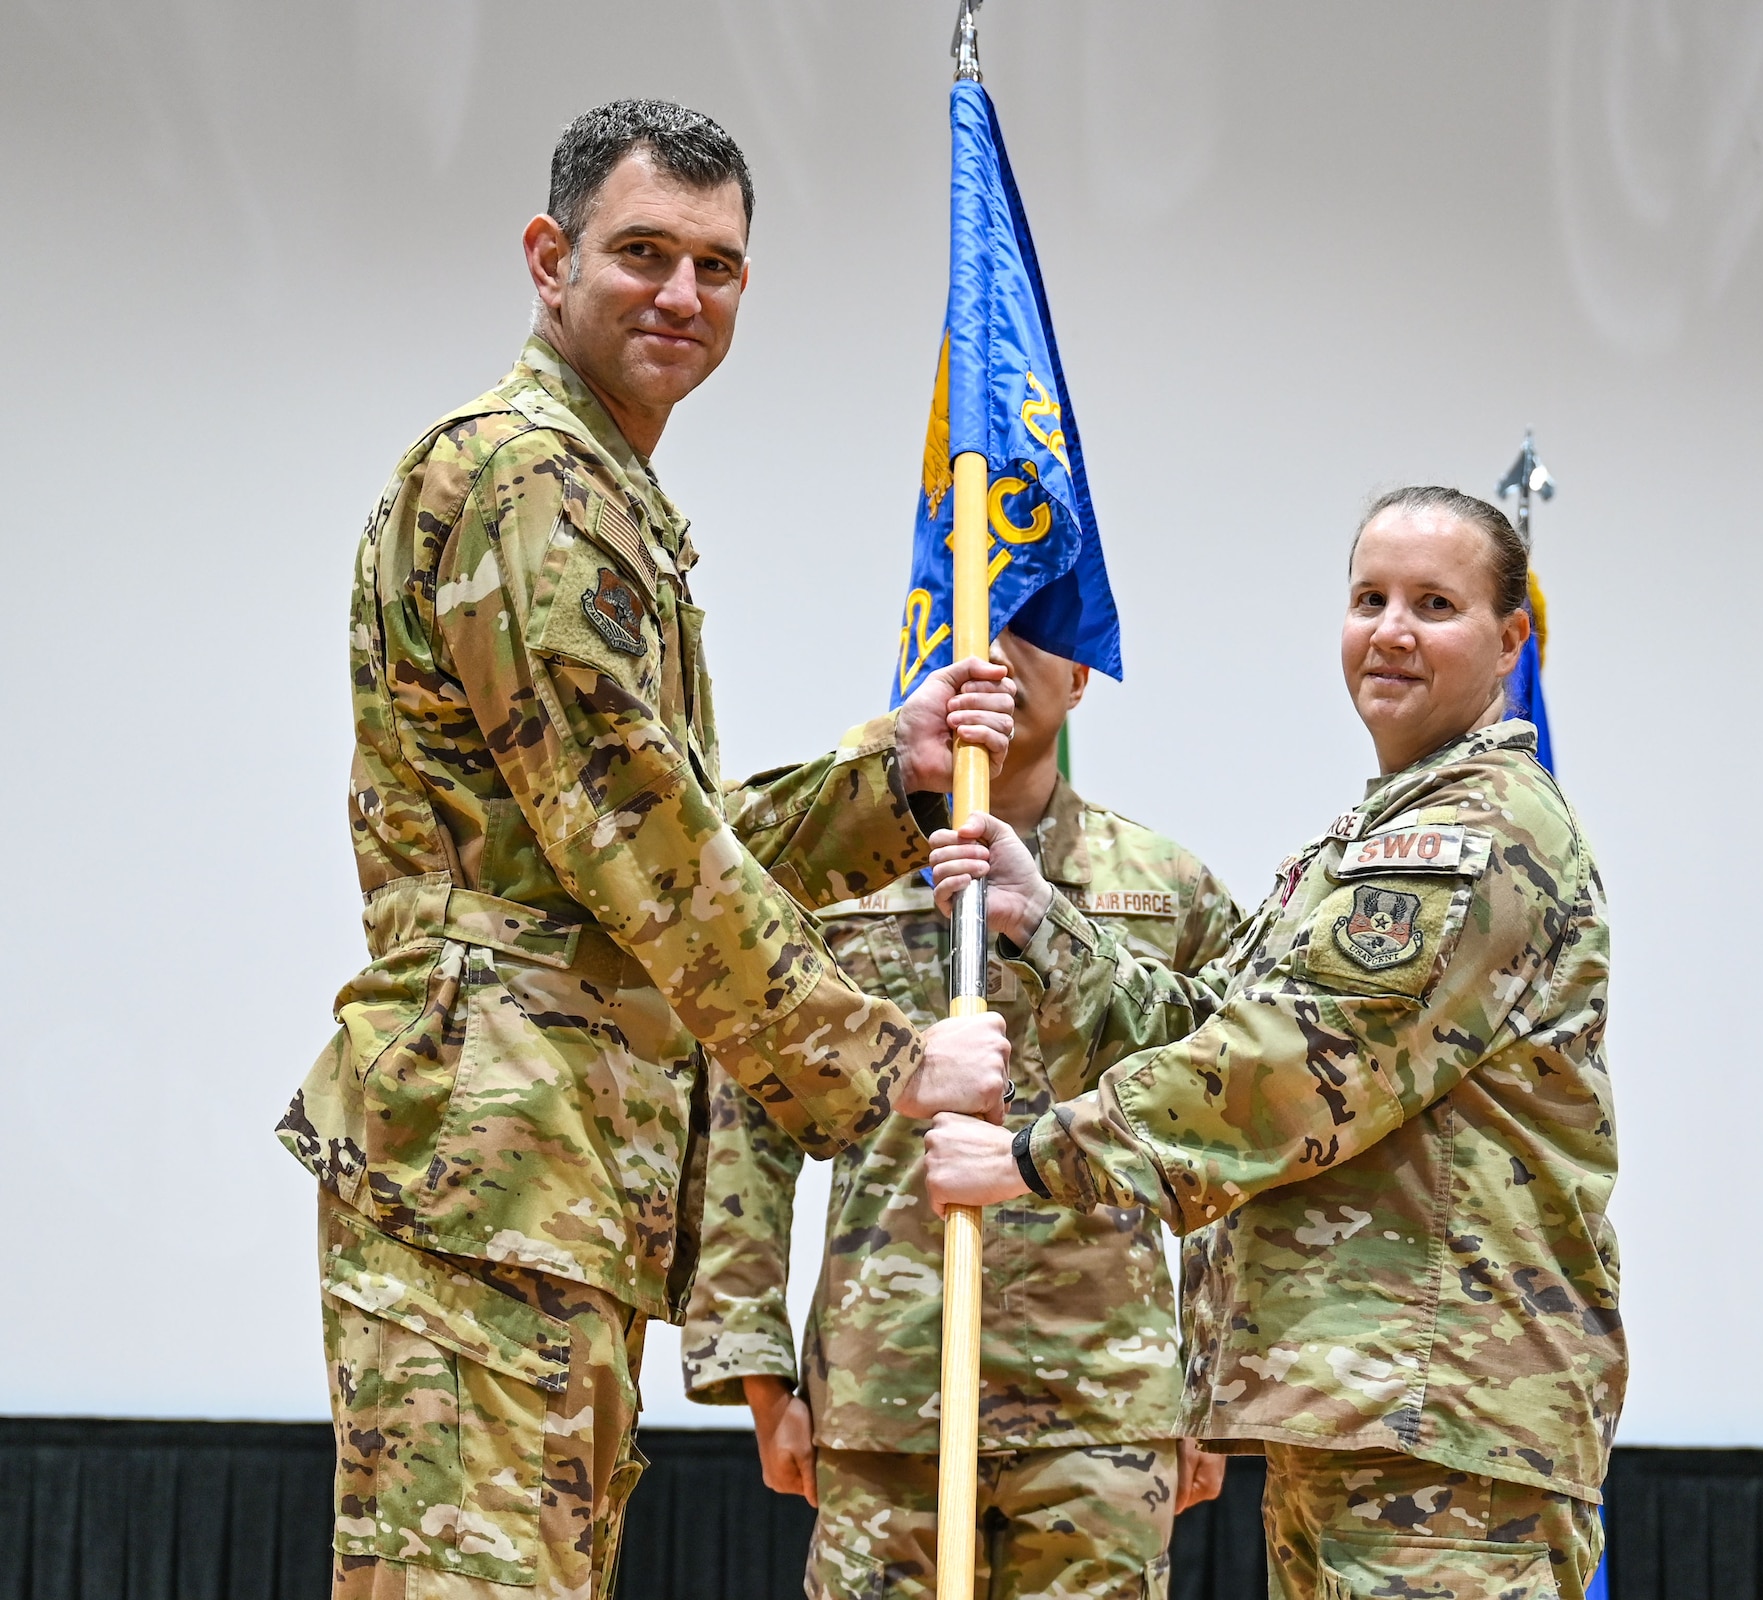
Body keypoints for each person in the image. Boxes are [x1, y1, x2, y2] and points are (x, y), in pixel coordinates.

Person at [275, 100, 1016, 1600]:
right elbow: (640, 844)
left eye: (718, 266)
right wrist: (888, 1064)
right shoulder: (529, 476)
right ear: (550, 260)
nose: (683, 295)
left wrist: (896, 772)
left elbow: (652, 835)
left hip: (556, 1169)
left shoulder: (606, 491)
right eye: (642, 254)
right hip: (494, 1154)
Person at [922, 488, 1623, 1600]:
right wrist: (1042, 920)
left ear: (1507, 640)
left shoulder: (1474, 834)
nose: (1388, 630)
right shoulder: (1364, 837)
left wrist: (1027, 1157)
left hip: (1440, 1420)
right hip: (1357, 1412)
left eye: (1432, 603)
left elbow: (1295, 1064)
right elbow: (1216, 1020)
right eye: (1368, 598)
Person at [680, 627, 1239, 1600]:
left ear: (1079, 674)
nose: (998, 648)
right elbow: (751, 1124)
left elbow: (1226, 1129)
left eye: (1035, 629)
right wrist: (760, 1380)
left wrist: (1216, 1385)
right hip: (886, 1388)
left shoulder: (1168, 891)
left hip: (1102, 1394)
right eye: (973, 619)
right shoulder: (841, 878)